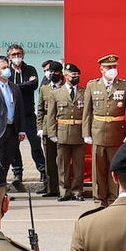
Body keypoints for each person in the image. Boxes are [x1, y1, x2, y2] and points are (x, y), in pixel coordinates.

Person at [82, 53, 126, 207]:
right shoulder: (92, 85)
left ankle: (114, 199)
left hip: (117, 133)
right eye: (109, 67)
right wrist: (86, 133)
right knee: (98, 169)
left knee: (115, 168)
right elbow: (87, 112)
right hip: (98, 132)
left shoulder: (125, 86)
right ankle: (99, 199)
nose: (112, 70)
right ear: (101, 69)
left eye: (114, 67)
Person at [5, 44, 45, 192]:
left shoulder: (30, 69)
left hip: (28, 114)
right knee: (14, 146)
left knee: (35, 144)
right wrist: (24, 84)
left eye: (19, 54)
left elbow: (33, 85)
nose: (17, 57)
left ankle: (43, 171)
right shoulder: (6, 71)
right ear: (9, 56)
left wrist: (15, 86)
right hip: (12, 115)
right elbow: (6, 86)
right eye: (14, 54)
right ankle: (17, 174)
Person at [0, 56, 27, 187]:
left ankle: (1, 188)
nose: (7, 70)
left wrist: (21, 129)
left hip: (12, 130)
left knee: (7, 162)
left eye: (7, 67)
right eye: (3, 68)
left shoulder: (15, 88)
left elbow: (20, 109)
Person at [51, 64, 87, 202]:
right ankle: (64, 191)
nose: (76, 77)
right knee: (63, 165)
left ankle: (77, 191)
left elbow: (87, 113)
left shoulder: (84, 92)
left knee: (79, 165)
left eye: (77, 75)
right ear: (66, 76)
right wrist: (52, 132)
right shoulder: (56, 93)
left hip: (79, 133)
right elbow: (51, 115)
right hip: (62, 133)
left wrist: (87, 133)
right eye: (73, 75)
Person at [35, 61, 64, 197]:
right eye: (50, 72)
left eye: (55, 72)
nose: (52, 74)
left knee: (62, 159)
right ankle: (51, 188)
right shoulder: (44, 89)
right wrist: (39, 127)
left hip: (63, 126)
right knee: (49, 160)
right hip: (47, 127)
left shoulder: (65, 87)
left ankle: (62, 188)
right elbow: (40, 109)